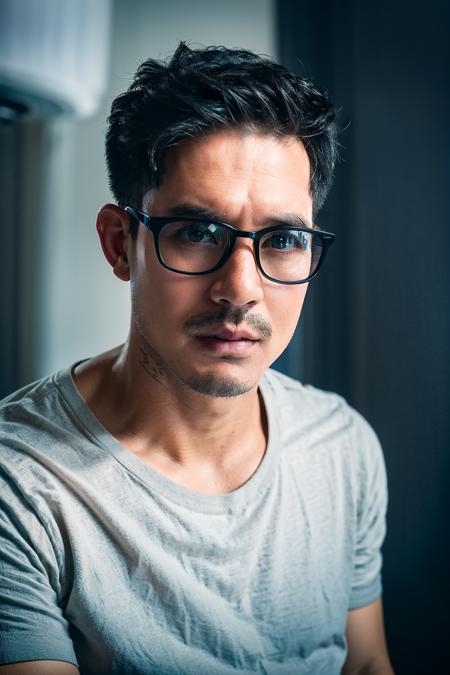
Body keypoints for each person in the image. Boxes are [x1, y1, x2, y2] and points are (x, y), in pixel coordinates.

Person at [0, 43, 394, 675]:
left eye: (285, 239)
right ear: (119, 244)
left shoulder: (343, 448)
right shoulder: (21, 484)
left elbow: (367, 661)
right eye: (197, 232)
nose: (241, 288)